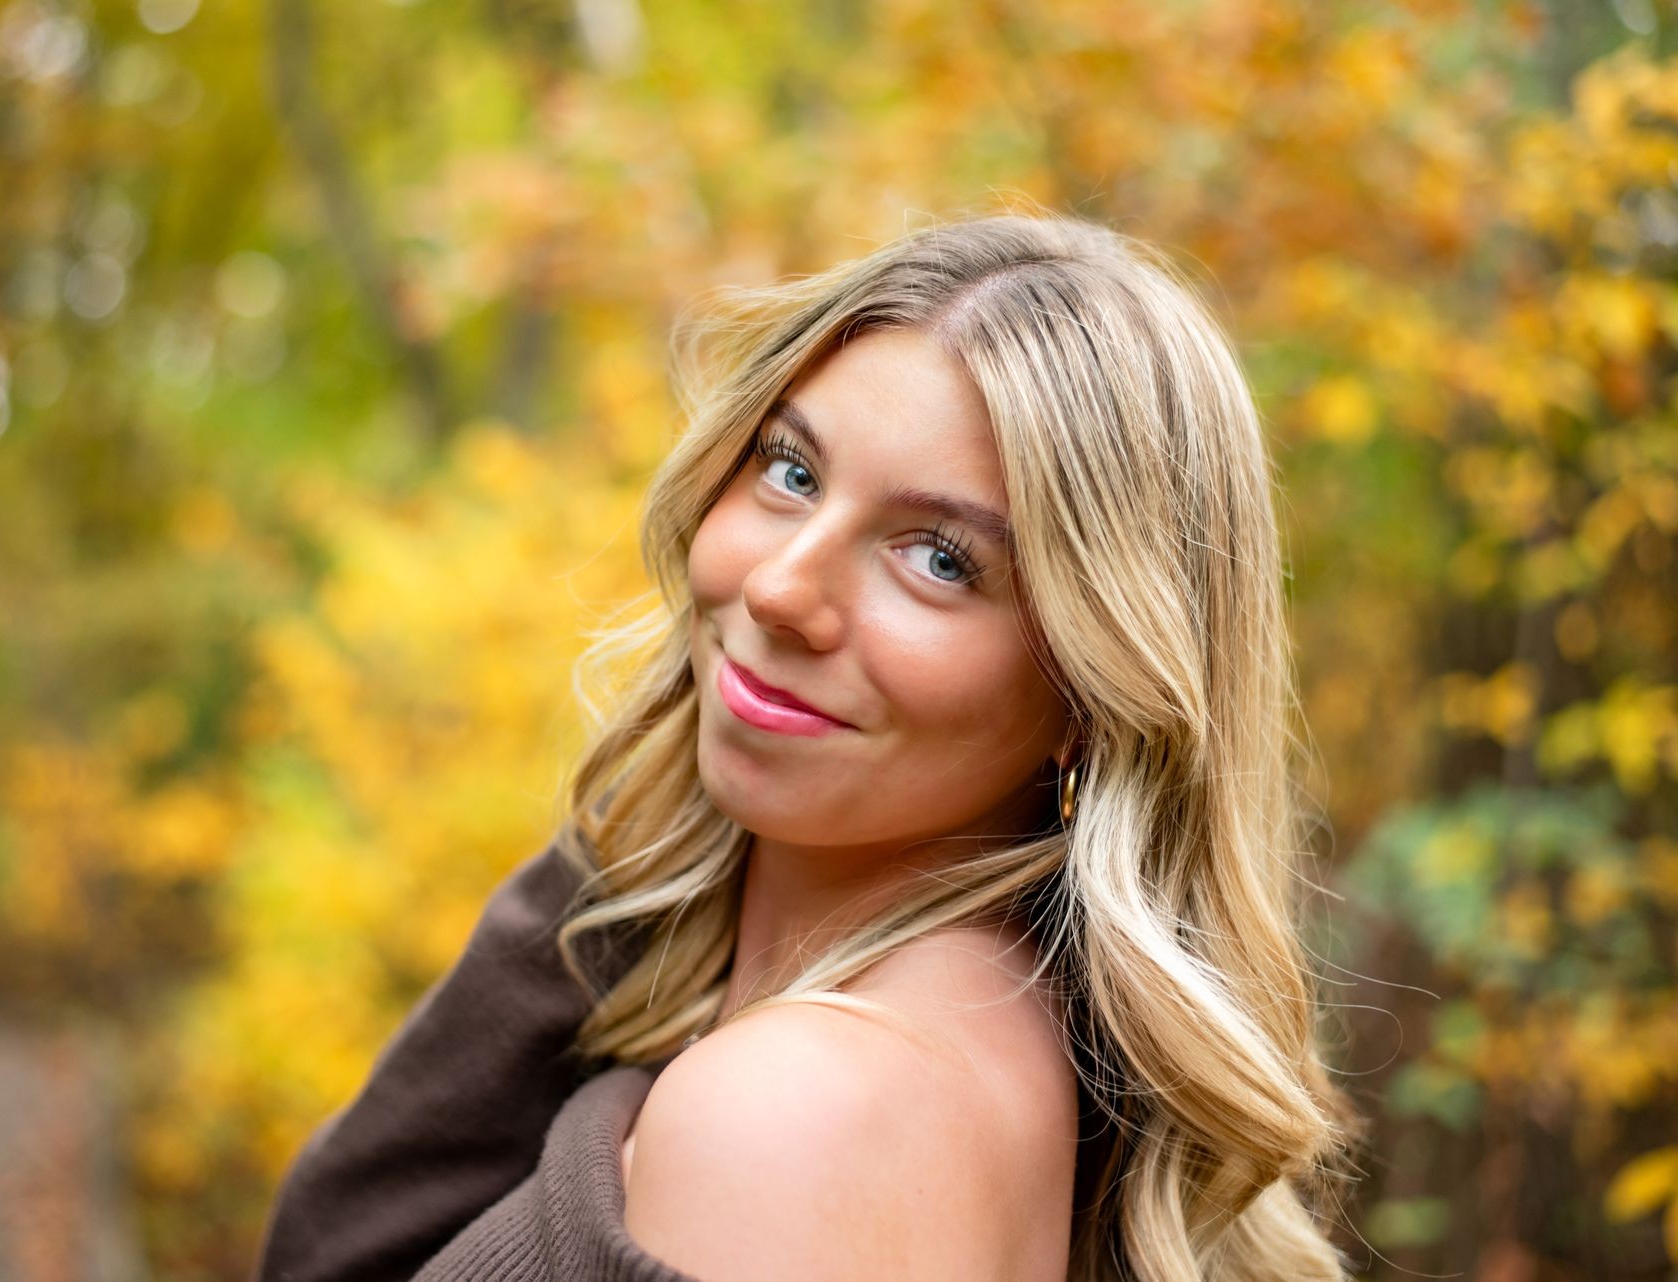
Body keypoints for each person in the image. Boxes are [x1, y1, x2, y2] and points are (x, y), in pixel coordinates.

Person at [255, 208, 1353, 1282]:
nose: (781, 588)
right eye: (790, 471)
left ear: (1095, 691)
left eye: (939, 557)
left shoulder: (804, 1113)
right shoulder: (907, 1027)